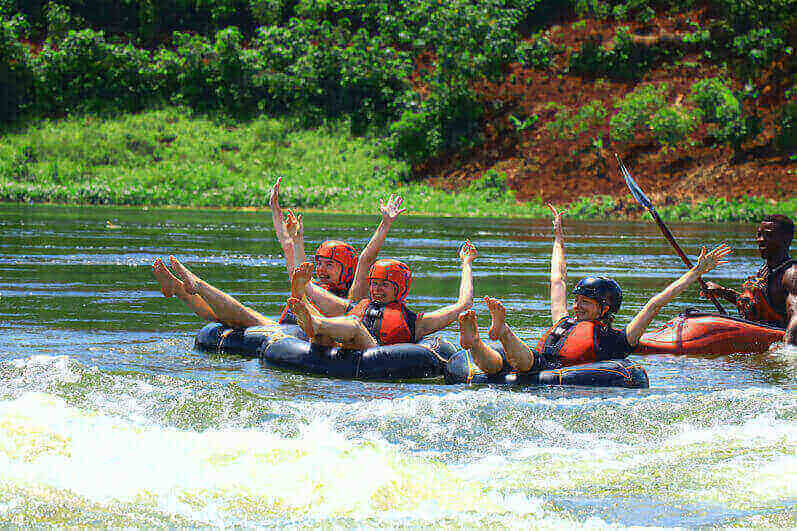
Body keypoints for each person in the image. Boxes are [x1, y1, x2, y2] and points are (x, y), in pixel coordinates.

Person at [458, 204, 733, 375]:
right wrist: (558, 237)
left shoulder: (620, 339)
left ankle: (502, 330)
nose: (576, 306)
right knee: (494, 364)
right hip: (531, 360)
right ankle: (475, 342)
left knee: (523, 362)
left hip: (541, 367)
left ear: (605, 309)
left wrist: (695, 273)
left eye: (585, 303)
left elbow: (654, 304)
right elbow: (558, 280)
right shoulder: (564, 321)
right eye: (577, 301)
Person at [152, 177, 406, 329]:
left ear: (346, 269)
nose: (321, 269)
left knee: (240, 314)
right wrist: (275, 210)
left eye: (330, 265)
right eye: (320, 263)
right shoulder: (309, 282)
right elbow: (288, 246)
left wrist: (385, 223)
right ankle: (178, 288)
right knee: (216, 316)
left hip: (286, 333)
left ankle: (195, 285)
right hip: (284, 330)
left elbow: (365, 260)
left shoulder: (353, 295)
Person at [284, 240, 478, 350]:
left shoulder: (417, 322)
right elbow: (309, 286)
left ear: (400, 287)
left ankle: (314, 323)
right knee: (326, 328)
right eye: (374, 284)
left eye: (385, 285)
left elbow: (464, 303)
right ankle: (311, 320)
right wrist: (301, 283)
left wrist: (466, 263)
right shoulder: (358, 306)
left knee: (352, 324)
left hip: (373, 352)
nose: (377, 290)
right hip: (342, 350)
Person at [701, 215, 796, 345]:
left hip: (780, 341)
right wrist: (722, 292)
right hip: (757, 338)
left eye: (768, 235)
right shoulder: (765, 271)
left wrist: (787, 353)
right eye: (759, 235)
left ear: (786, 239)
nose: (760, 240)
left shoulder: (791, 274)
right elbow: (754, 306)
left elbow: (795, 315)